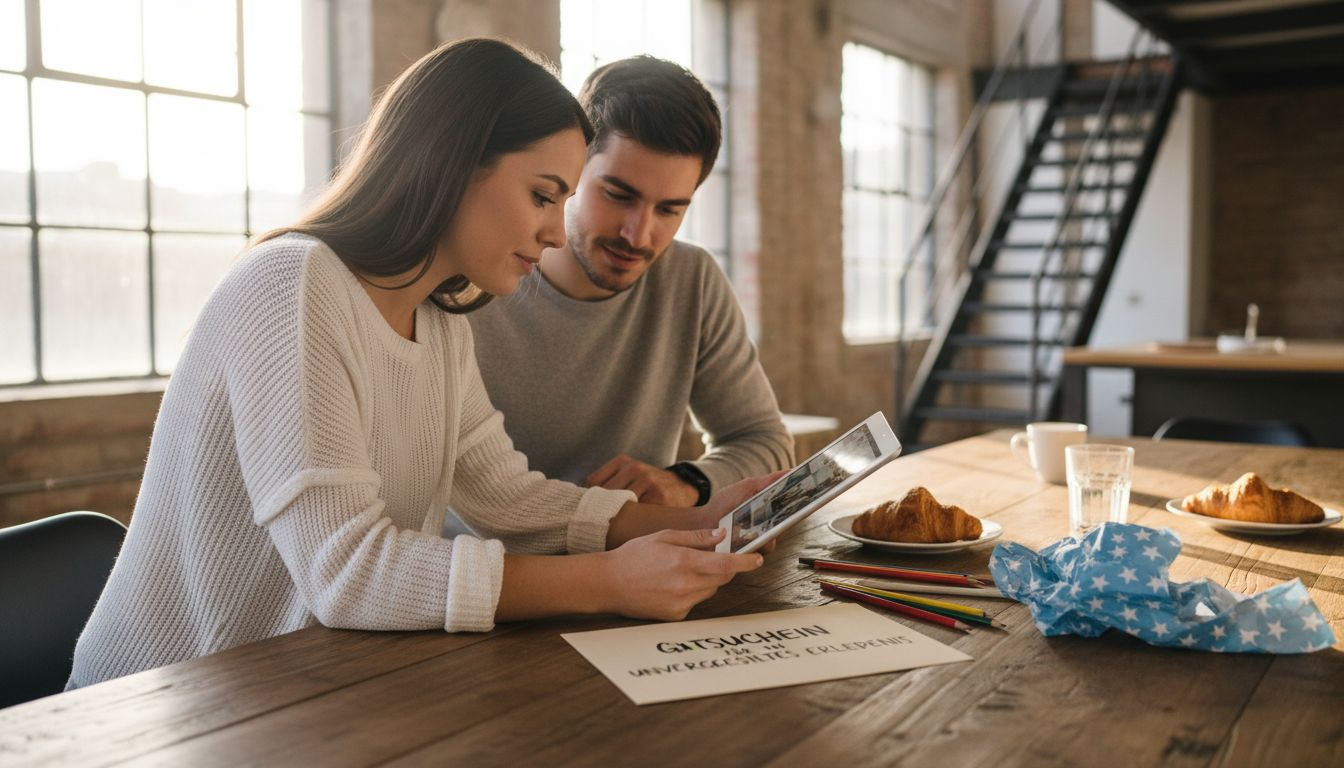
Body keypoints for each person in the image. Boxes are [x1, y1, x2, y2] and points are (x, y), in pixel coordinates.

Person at [67, 39, 775, 689]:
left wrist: (700, 519)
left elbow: (508, 498)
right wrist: (608, 581)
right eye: (541, 195)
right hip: (159, 706)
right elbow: (347, 571)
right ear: (451, 165)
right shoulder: (293, 284)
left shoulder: (439, 320)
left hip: (301, 694)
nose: (555, 233)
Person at [467, 56, 794, 509]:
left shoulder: (692, 280)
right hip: (489, 554)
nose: (638, 235)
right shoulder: (475, 280)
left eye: (669, 210)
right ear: (571, 169)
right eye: (619, 196)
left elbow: (765, 441)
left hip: (637, 550)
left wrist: (686, 483)